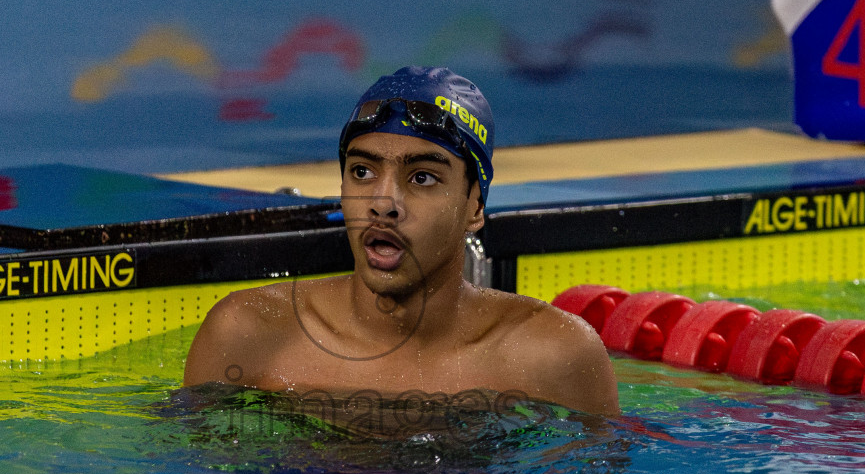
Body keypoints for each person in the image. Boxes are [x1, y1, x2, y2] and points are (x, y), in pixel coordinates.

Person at [183, 66, 619, 416]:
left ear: (474, 206)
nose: (383, 203)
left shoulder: (552, 354)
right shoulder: (249, 332)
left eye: (422, 177)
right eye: (362, 172)